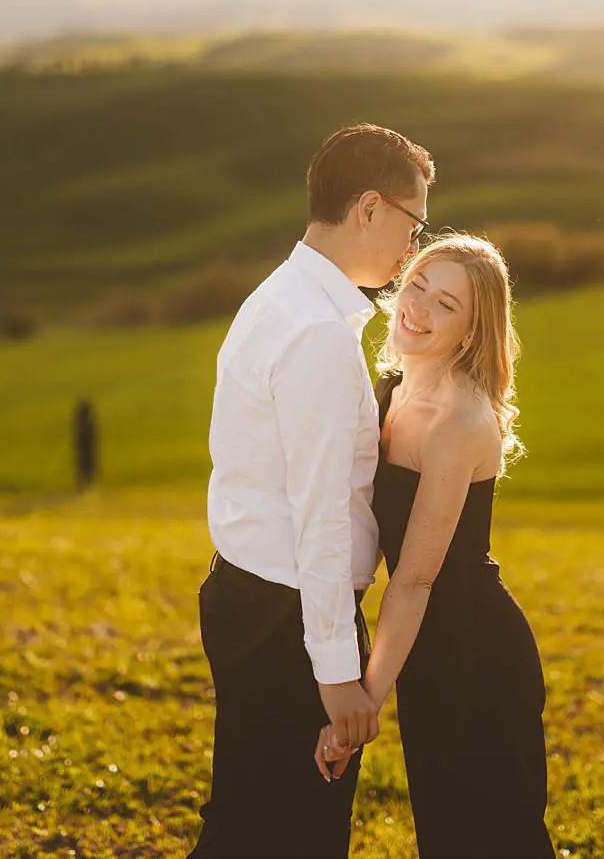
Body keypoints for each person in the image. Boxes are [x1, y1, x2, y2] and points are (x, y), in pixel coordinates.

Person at [189, 123, 433, 859]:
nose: (412, 247)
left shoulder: (278, 296)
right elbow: (322, 516)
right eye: (411, 222)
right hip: (289, 618)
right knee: (293, 835)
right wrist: (336, 674)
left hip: (245, 591)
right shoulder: (318, 334)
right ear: (368, 207)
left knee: (243, 824)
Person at [317, 234, 555, 858]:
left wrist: (361, 705)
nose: (418, 308)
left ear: (473, 332)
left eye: (446, 304)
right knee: (445, 834)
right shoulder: (390, 391)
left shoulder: (460, 422)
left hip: (477, 649)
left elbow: (416, 579)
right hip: (425, 645)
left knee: (496, 837)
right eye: (419, 284)